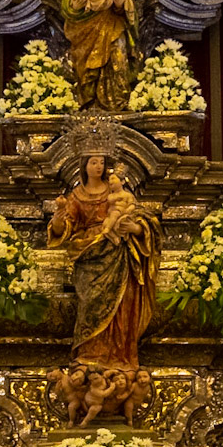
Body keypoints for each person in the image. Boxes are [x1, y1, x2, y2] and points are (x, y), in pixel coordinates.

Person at [47, 151, 161, 372]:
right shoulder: (77, 196)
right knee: (90, 305)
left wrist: (135, 228)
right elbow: (66, 229)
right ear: (84, 166)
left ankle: (120, 355)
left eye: (101, 162)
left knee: (122, 305)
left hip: (118, 253)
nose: (98, 166)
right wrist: (59, 219)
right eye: (93, 162)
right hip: (89, 257)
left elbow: (142, 218)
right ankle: (89, 354)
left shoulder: (116, 191)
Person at [59, 0, 139, 109]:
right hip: (85, 32)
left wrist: (118, 6)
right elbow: (69, 7)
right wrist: (86, 4)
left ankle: (117, 102)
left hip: (113, 27)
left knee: (118, 61)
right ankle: (89, 102)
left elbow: (126, 4)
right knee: (87, 70)